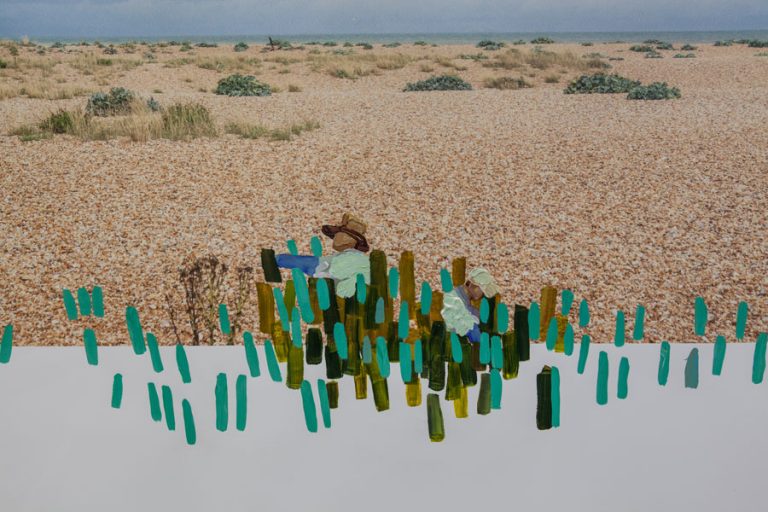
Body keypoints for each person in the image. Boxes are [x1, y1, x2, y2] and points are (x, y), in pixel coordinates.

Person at [275, 213, 371, 298]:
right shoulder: (354, 256)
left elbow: (335, 272)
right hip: (326, 271)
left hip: (326, 274)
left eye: (341, 235)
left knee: (303, 262)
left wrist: (321, 274)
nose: (336, 239)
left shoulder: (353, 257)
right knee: (304, 262)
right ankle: (277, 259)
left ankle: (276, 259)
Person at [441, 267, 500, 342]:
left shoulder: (464, 301)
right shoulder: (453, 300)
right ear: (470, 284)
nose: (483, 293)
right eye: (482, 289)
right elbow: (472, 330)